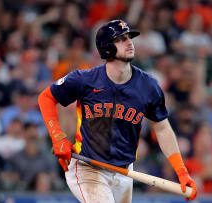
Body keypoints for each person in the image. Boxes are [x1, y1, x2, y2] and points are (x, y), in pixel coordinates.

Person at [38, 19, 197, 202]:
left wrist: (181, 171)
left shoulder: (148, 86)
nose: (129, 42)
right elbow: (46, 97)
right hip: (88, 165)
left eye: (129, 37)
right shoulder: (84, 79)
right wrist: (57, 136)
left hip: (124, 171)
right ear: (106, 47)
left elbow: (162, 128)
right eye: (121, 39)